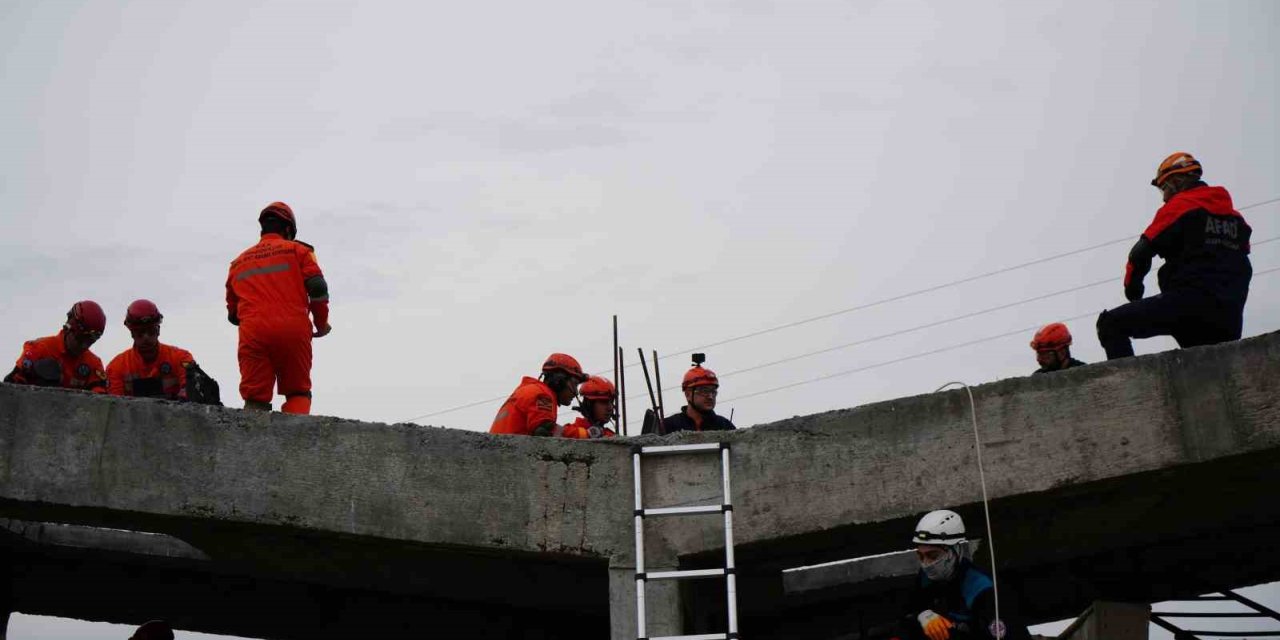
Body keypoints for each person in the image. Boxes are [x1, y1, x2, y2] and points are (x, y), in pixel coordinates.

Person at [1097, 152, 1252, 360]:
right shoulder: (1237, 220)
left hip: (1187, 304)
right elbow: (1240, 261)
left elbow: (1139, 254)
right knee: (1205, 365)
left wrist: (1133, 289)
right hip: (1229, 316)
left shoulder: (1179, 206)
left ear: (1175, 181)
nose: (1164, 196)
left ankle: (1126, 388)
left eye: (1164, 188)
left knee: (1111, 323)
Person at [225, 202, 331, 414]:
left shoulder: (238, 263)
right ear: (288, 229)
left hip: (253, 332)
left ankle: (254, 442)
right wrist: (321, 323)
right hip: (293, 330)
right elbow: (318, 287)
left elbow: (233, 313)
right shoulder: (299, 251)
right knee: (297, 392)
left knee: (255, 397)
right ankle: (293, 443)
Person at [892, 510, 1029, 640]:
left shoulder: (982, 588)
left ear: (956, 550)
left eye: (933, 555)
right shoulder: (926, 578)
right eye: (921, 556)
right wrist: (923, 615)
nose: (927, 564)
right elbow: (910, 609)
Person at [4, 301, 108, 392]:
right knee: (48, 367)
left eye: (90, 341)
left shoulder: (93, 364)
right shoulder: (39, 349)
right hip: (32, 409)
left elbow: (101, 400)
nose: (84, 345)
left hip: (74, 413)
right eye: (80, 339)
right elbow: (10, 386)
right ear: (69, 328)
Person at [107, 300, 197, 399]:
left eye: (151, 331)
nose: (146, 337)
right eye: (140, 332)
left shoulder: (181, 358)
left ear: (158, 330)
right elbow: (115, 404)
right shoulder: (116, 367)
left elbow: (192, 392)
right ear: (132, 333)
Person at [490, 353, 588, 436]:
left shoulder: (528, 391)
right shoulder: (542, 394)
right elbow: (545, 429)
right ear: (559, 381)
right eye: (575, 384)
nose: (575, 392)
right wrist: (585, 434)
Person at [651, 363, 736, 434]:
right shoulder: (668, 426)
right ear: (688, 394)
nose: (710, 396)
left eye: (713, 391)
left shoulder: (725, 426)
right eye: (704, 391)